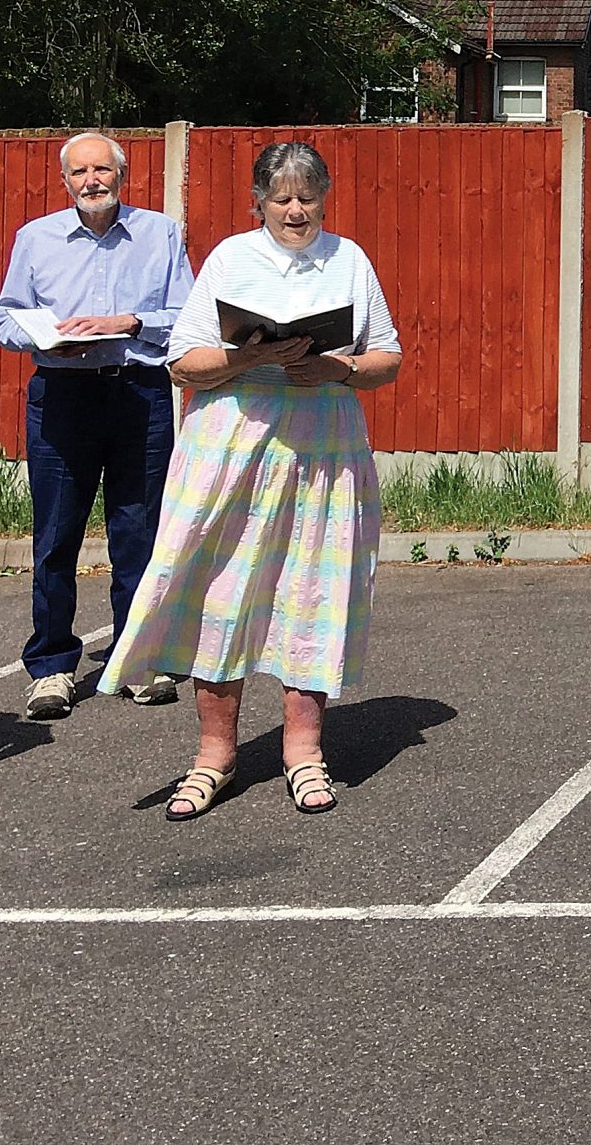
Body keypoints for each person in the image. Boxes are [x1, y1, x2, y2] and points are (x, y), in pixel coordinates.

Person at [101, 142, 402, 820]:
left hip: (322, 452)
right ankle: (215, 754)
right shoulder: (232, 260)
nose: (295, 211)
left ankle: (303, 751)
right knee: (222, 595)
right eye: (281, 198)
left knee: (312, 591)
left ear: (324, 198)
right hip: (230, 450)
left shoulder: (349, 259)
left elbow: (388, 358)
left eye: (307, 197)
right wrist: (247, 356)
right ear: (258, 202)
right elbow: (183, 363)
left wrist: (340, 370)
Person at [0, 132, 196, 716]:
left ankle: (135, 659)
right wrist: (47, 339)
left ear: (122, 174)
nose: (91, 181)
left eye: (101, 169)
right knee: (56, 535)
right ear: (65, 180)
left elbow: (186, 315)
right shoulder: (36, 238)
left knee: (139, 532)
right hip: (62, 394)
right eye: (79, 172)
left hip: (140, 394)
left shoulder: (159, 233)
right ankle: (52, 665)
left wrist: (129, 321)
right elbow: (5, 320)